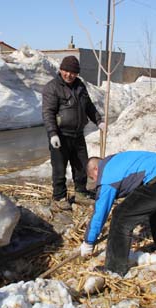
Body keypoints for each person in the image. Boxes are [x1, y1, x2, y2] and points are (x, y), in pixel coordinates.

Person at [79, 151, 156, 276]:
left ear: (96, 169)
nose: (97, 183)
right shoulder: (115, 161)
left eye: (94, 178)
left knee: (121, 216)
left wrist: (88, 241)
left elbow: (100, 213)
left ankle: (114, 269)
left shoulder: (107, 175)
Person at [42, 55, 105, 211]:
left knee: (81, 166)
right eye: (66, 71)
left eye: (73, 72)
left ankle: (80, 193)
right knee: (59, 168)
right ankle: (59, 198)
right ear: (61, 70)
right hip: (60, 135)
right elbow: (48, 112)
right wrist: (52, 133)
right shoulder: (52, 87)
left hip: (77, 134)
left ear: (77, 73)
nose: (69, 75)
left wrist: (99, 120)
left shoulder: (80, 86)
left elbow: (88, 106)